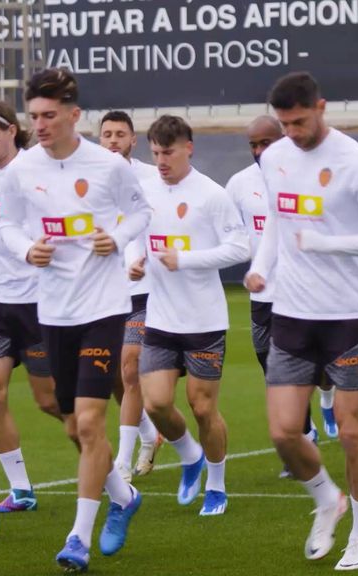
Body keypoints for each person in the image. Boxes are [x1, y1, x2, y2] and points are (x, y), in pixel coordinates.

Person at [245, 71, 358, 570]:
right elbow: (277, 220)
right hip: (290, 313)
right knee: (283, 432)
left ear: (321, 106)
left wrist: (330, 244)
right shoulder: (274, 158)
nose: (291, 132)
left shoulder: (355, 164)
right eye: (284, 124)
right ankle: (326, 499)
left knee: (355, 435)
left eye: (299, 121)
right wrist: (258, 268)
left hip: (347, 318)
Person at [0, 68, 151, 571]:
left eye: (48, 115)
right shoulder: (22, 169)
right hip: (54, 310)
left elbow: (140, 212)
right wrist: (27, 250)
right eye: (33, 116)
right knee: (73, 429)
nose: (38, 125)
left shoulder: (108, 165)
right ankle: (124, 497)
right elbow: (6, 225)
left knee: (89, 420)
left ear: (73, 114)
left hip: (104, 308)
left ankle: (78, 538)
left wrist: (119, 238)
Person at [131, 115, 249, 516]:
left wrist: (186, 259)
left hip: (204, 322)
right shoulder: (143, 192)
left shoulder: (211, 195)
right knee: (157, 404)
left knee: (202, 408)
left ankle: (215, 485)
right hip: (161, 319)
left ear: (188, 149)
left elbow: (239, 248)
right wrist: (134, 260)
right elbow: (134, 234)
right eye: (157, 153)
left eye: (169, 152)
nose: (162, 160)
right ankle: (190, 455)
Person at [0, 99, 63, 514]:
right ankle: (21, 488)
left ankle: (108, 446)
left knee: (50, 402)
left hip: (39, 303)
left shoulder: (40, 169)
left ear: (12, 131)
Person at [226, 116, 333, 481]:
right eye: (253, 145)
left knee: (304, 368)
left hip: (305, 291)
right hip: (263, 294)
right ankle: (304, 435)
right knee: (271, 368)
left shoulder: (308, 177)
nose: (259, 151)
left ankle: (309, 424)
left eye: (266, 143)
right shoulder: (239, 184)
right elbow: (234, 236)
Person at [98, 110, 164, 481]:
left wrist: (147, 261)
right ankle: (148, 434)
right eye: (106, 134)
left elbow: (165, 223)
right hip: (102, 292)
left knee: (129, 366)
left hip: (143, 290)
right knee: (110, 377)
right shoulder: (87, 180)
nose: (112, 140)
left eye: (120, 134)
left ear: (132, 140)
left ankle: (123, 461)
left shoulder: (150, 178)